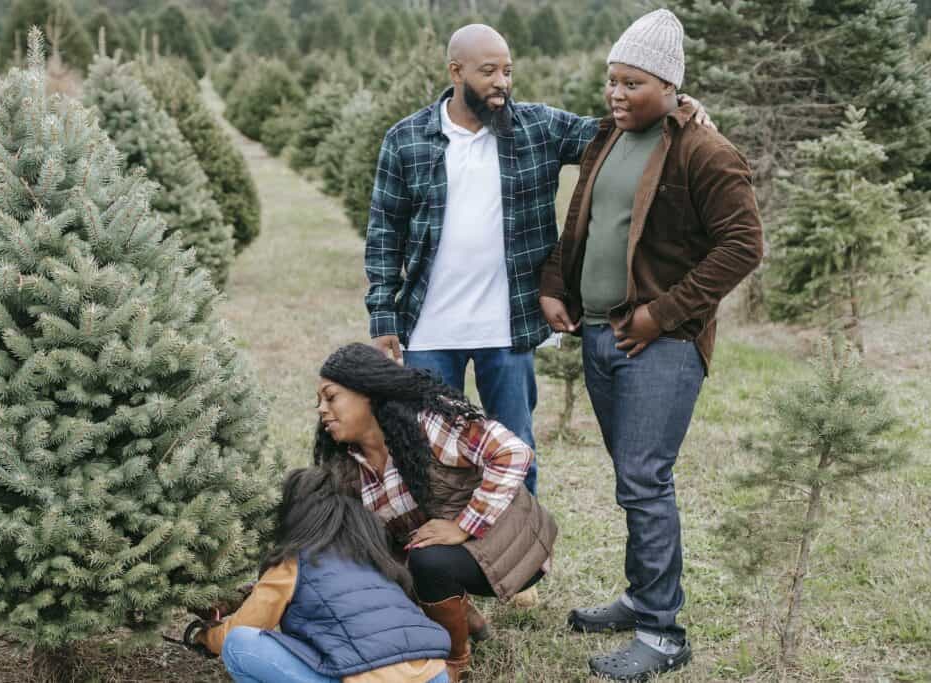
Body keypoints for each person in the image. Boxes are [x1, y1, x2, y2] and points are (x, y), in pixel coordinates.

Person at [365, 24, 711, 501]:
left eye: (508, 71)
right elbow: (384, 234)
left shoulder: (537, 127)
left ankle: (518, 561)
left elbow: (614, 128)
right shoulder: (406, 140)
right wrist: (383, 316)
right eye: (488, 72)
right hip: (429, 331)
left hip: (507, 329)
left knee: (515, 452)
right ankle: (445, 563)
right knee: (433, 453)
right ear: (456, 71)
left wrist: (678, 104)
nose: (502, 82)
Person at [538, 9, 764, 681]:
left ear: (669, 86)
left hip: (657, 345)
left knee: (645, 479)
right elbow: (585, 219)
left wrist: (661, 315)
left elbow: (744, 246)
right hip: (602, 333)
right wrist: (557, 282)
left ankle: (663, 631)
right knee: (632, 480)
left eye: (632, 82)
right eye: (611, 80)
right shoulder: (609, 135)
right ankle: (639, 596)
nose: (615, 93)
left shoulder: (704, 150)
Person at [313, 342, 557, 682]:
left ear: (367, 391)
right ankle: (464, 616)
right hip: (448, 556)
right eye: (319, 402)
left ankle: (457, 657)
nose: (322, 410)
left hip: (513, 547)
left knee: (428, 561)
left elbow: (514, 454)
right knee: (371, 559)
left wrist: (464, 525)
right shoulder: (350, 465)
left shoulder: (431, 423)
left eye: (331, 397)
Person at [192, 467, 451, 683]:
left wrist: (206, 636)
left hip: (369, 677)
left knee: (238, 644)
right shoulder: (373, 556)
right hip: (434, 674)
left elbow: (241, 629)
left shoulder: (293, 561)